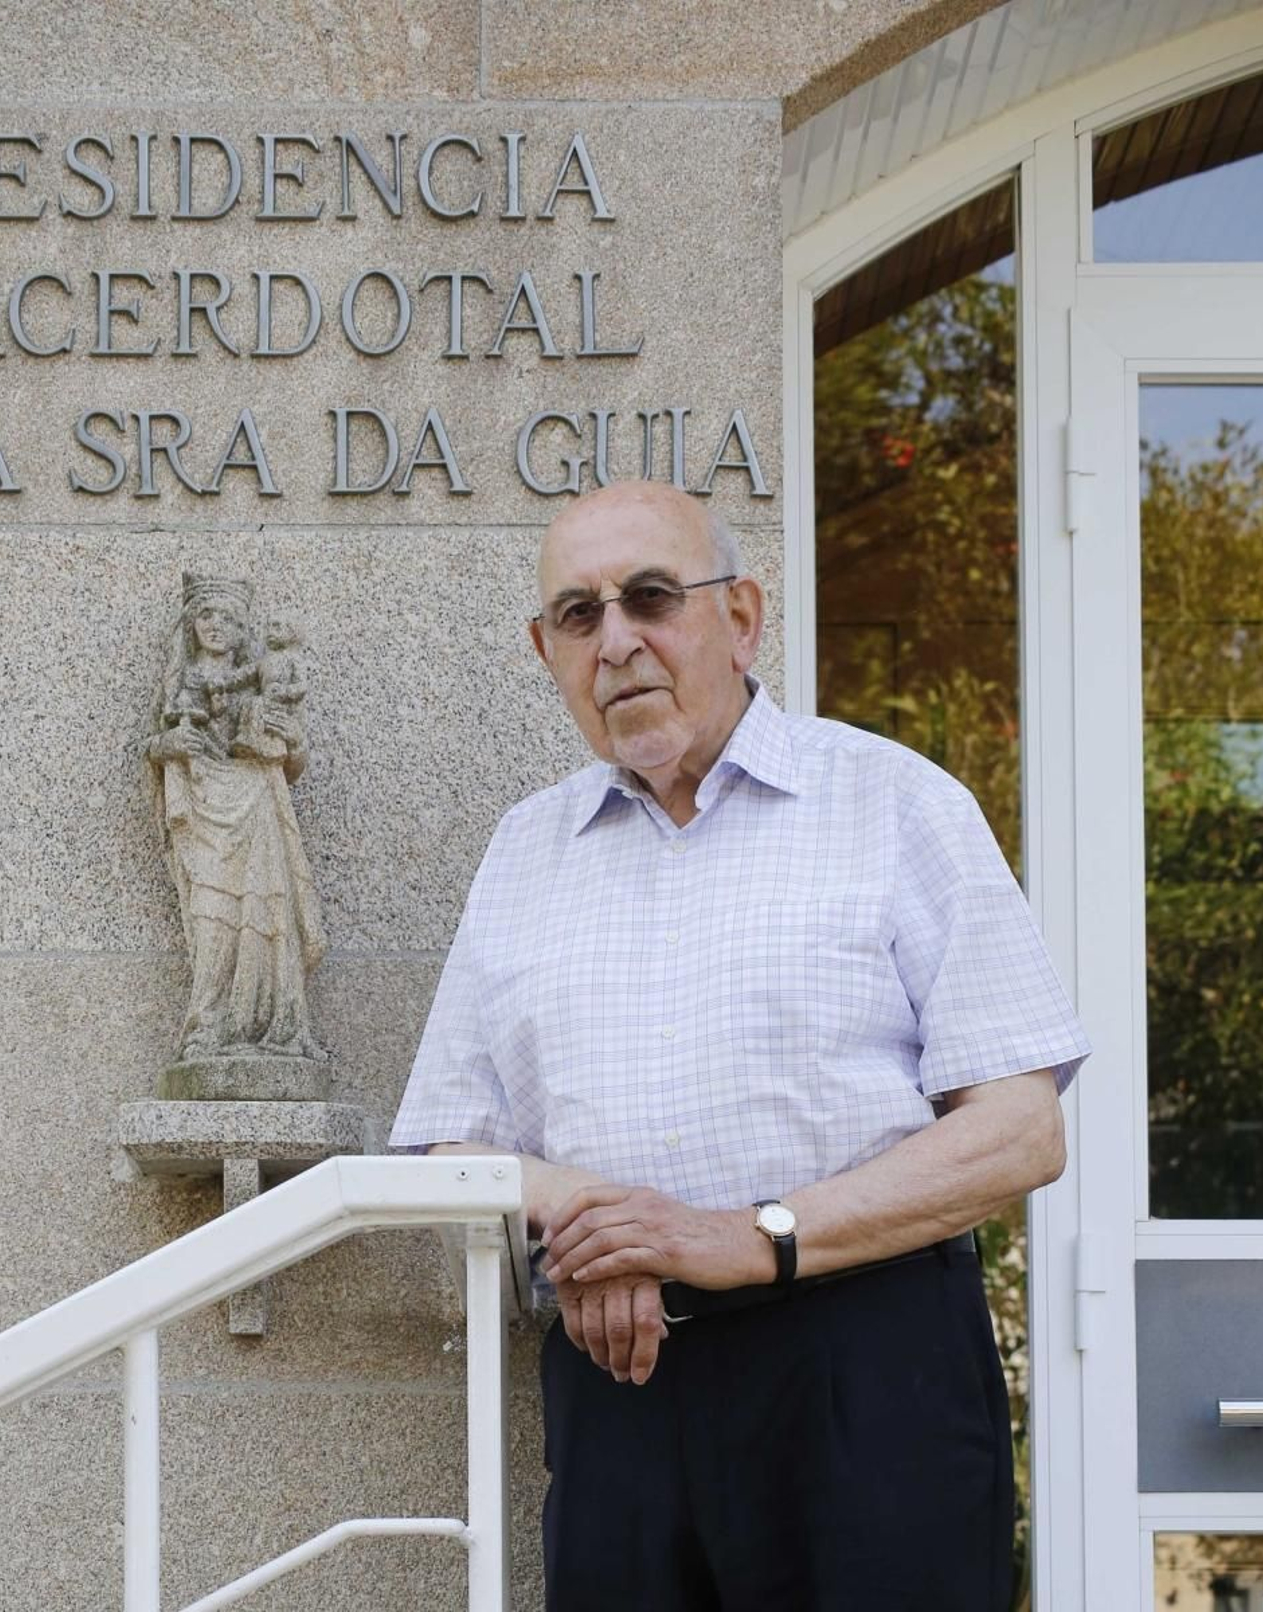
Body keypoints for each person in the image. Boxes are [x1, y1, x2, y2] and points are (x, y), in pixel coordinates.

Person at [390, 481, 1089, 1611]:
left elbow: (1017, 1131)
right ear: (545, 650)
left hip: (864, 1367)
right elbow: (442, 1151)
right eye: (578, 616)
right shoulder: (526, 851)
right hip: (623, 1377)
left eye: (650, 598)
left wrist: (744, 1235)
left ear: (743, 616)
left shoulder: (893, 803)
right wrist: (611, 1229)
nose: (616, 641)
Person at [146, 575, 326, 1064]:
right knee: (212, 920)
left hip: (257, 806)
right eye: (207, 615)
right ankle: (206, 1026)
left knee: (264, 916)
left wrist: (292, 741)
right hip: (205, 810)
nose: (217, 626)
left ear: (243, 627)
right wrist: (168, 746)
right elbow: (157, 747)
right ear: (191, 624)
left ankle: (271, 1024)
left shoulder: (262, 679)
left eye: (228, 618)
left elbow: (293, 760)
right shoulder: (179, 683)